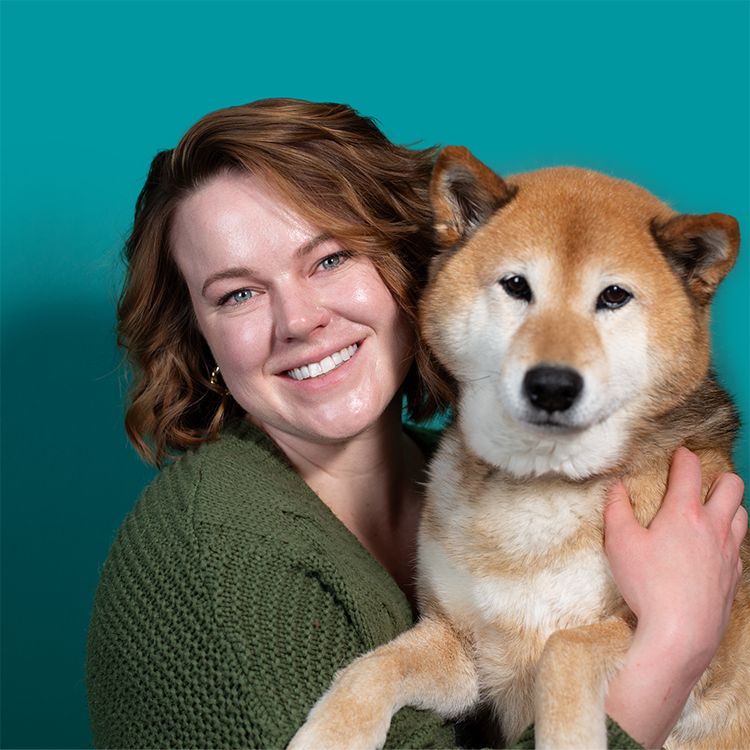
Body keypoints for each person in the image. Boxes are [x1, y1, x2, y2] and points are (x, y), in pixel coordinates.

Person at [85, 98, 747, 750]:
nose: (299, 320)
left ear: (408, 264)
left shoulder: (451, 464)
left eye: (330, 259)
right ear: (195, 337)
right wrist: (674, 644)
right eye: (238, 293)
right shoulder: (212, 566)